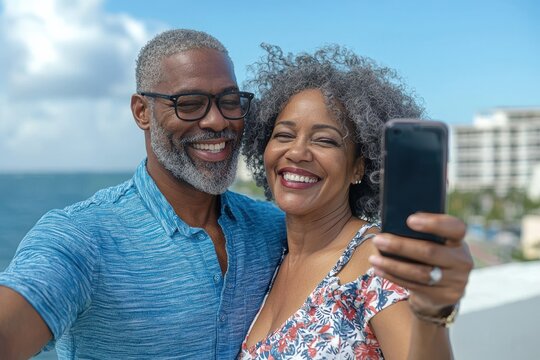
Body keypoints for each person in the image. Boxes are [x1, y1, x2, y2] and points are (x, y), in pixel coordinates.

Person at [0, 29, 286, 359]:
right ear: (141, 112)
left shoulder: (274, 228)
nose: (216, 120)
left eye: (230, 101)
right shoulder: (83, 237)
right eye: (189, 104)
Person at [238, 44, 473, 359]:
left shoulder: (377, 262)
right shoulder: (271, 256)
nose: (297, 152)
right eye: (283, 135)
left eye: (325, 140)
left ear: (359, 166)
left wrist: (434, 315)